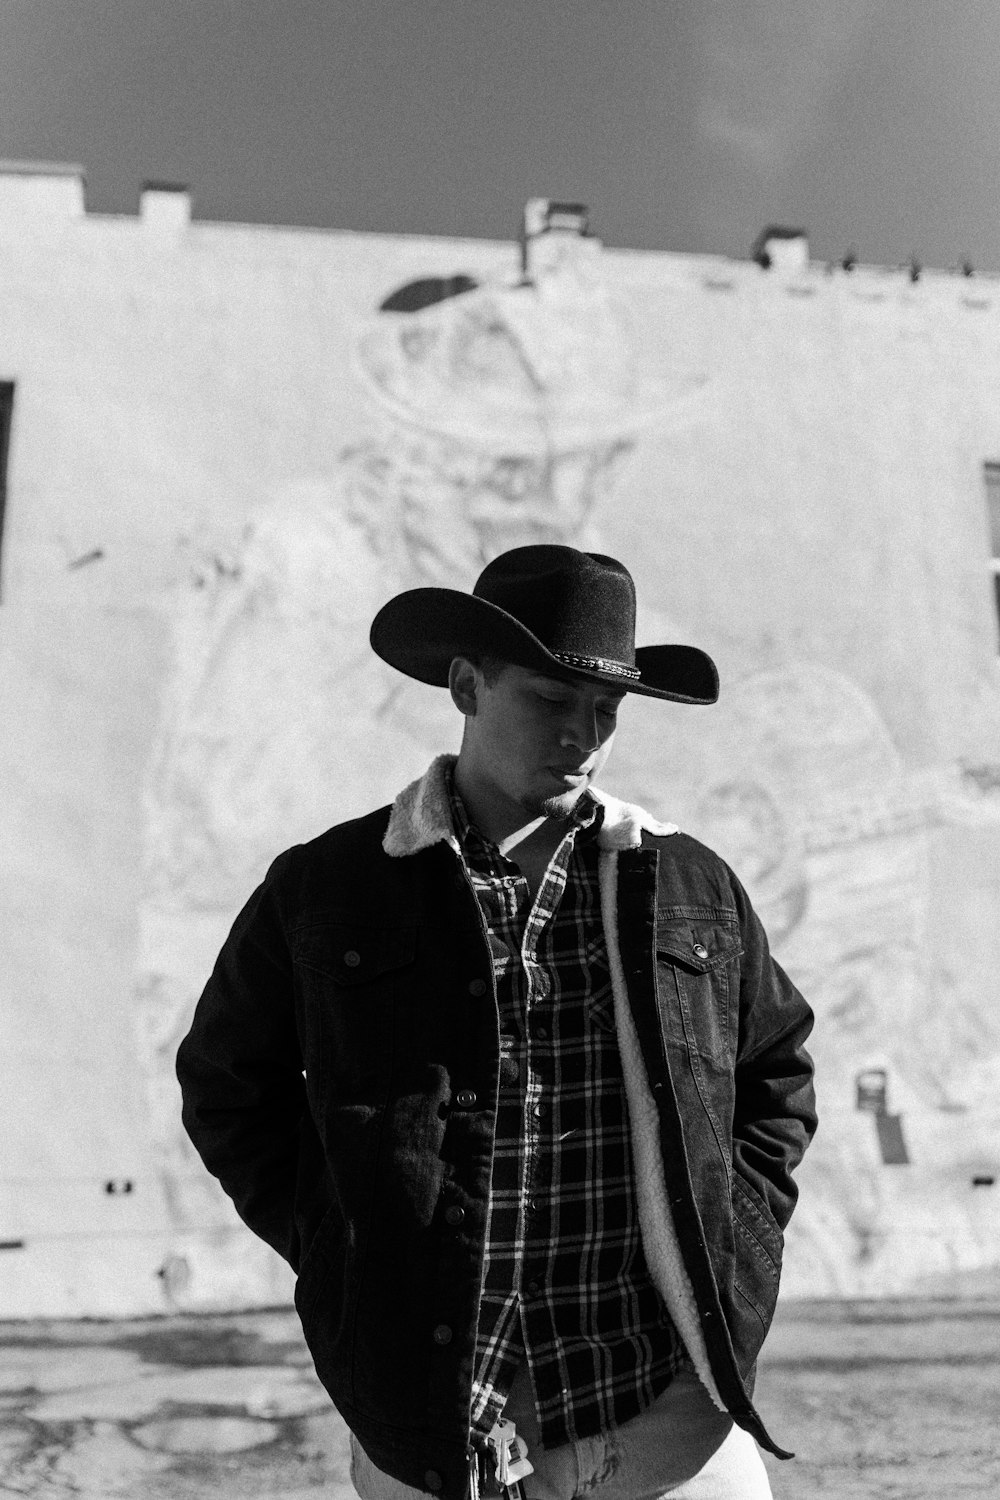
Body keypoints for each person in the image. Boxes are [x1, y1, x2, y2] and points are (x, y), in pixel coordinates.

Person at [176, 544, 817, 1500]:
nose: (583, 734)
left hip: (662, 1408)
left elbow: (775, 1073)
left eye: (604, 711)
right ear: (467, 687)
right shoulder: (329, 887)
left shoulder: (687, 885)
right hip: (436, 1418)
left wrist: (740, 1237)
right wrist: (341, 1237)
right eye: (551, 702)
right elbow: (229, 1086)